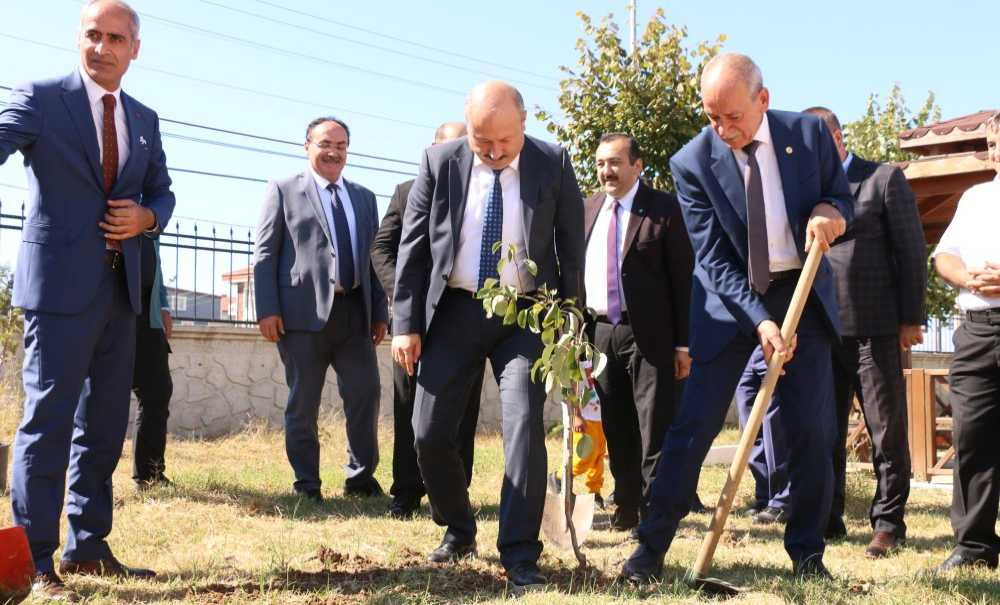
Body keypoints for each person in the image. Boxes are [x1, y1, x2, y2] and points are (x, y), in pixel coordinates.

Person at [621, 53, 852, 582]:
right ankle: (650, 549)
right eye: (711, 117)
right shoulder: (692, 163)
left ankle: (808, 554)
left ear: (762, 100)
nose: (722, 129)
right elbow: (714, 260)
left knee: (814, 431)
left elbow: (840, 197)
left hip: (800, 293)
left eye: (732, 116)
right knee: (693, 427)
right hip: (729, 305)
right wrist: (759, 321)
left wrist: (830, 213)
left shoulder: (809, 136)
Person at [0, 0, 176, 599]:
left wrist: (147, 215)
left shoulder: (146, 118)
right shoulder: (40, 97)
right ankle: (36, 558)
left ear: (135, 49)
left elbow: (163, 190)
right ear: (79, 40)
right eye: (92, 36)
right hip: (57, 291)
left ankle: (88, 545)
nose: (102, 47)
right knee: (47, 423)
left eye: (116, 38)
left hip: (121, 293)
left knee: (102, 425)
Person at [391, 81, 584, 592]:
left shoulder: (553, 161)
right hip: (456, 308)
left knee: (523, 427)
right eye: (483, 142)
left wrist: (571, 321)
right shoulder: (439, 161)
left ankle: (521, 553)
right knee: (427, 431)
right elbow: (412, 248)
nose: (495, 153)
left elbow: (571, 245)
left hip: (525, 313)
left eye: (504, 141)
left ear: (523, 122)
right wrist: (406, 324)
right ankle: (457, 528)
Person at [803, 106, 926, 556]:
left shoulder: (883, 179)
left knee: (885, 429)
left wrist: (911, 318)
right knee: (824, 429)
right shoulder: (808, 195)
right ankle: (828, 517)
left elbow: (912, 252)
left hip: (874, 329)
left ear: (837, 137)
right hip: (821, 329)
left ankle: (889, 523)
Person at [254, 116, 388, 503]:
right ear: (307, 145)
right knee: (303, 402)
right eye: (325, 144)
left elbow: (374, 258)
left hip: (354, 315)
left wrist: (379, 312)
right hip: (301, 317)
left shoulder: (363, 197)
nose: (333, 152)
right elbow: (265, 252)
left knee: (366, 394)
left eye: (341, 146)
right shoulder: (283, 189)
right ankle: (307, 484)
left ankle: (360, 478)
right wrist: (267, 308)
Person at [582, 133, 693, 532]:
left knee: (655, 426)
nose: (605, 171)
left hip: (651, 335)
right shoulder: (587, 209)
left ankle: (656, 513)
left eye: (614, 162)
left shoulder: (665, 210)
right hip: (600, 334)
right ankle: (626, 505)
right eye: (599, 163)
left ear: (637, 165)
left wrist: (683, 343)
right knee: (616, 424)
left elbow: (683, 281)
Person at [372, 122, 484, 519]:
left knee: (463, 410)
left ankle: (456, 493)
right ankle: (405, 492)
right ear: (431, 150)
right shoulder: (406, 192)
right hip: (415, 322)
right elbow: (382, 248)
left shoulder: (481, 192)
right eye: (446, 144)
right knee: (410, 409)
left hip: (462, 321)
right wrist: (401, 297)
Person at [929, 111, 1000, 573]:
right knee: (971, 434)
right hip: (976, 330)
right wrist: (968, 276)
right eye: (996, 142)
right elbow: (944, 256)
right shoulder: (976, 198)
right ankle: (974, 546)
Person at [132, 235, 174, 488]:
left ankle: (150, 474)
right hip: (115, 310)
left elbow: (154, 264)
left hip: (148, 317)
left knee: (157, 392)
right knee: (102, 399)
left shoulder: (150, 212)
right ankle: (93, 481)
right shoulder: (113, 198)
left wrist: (164, 306)